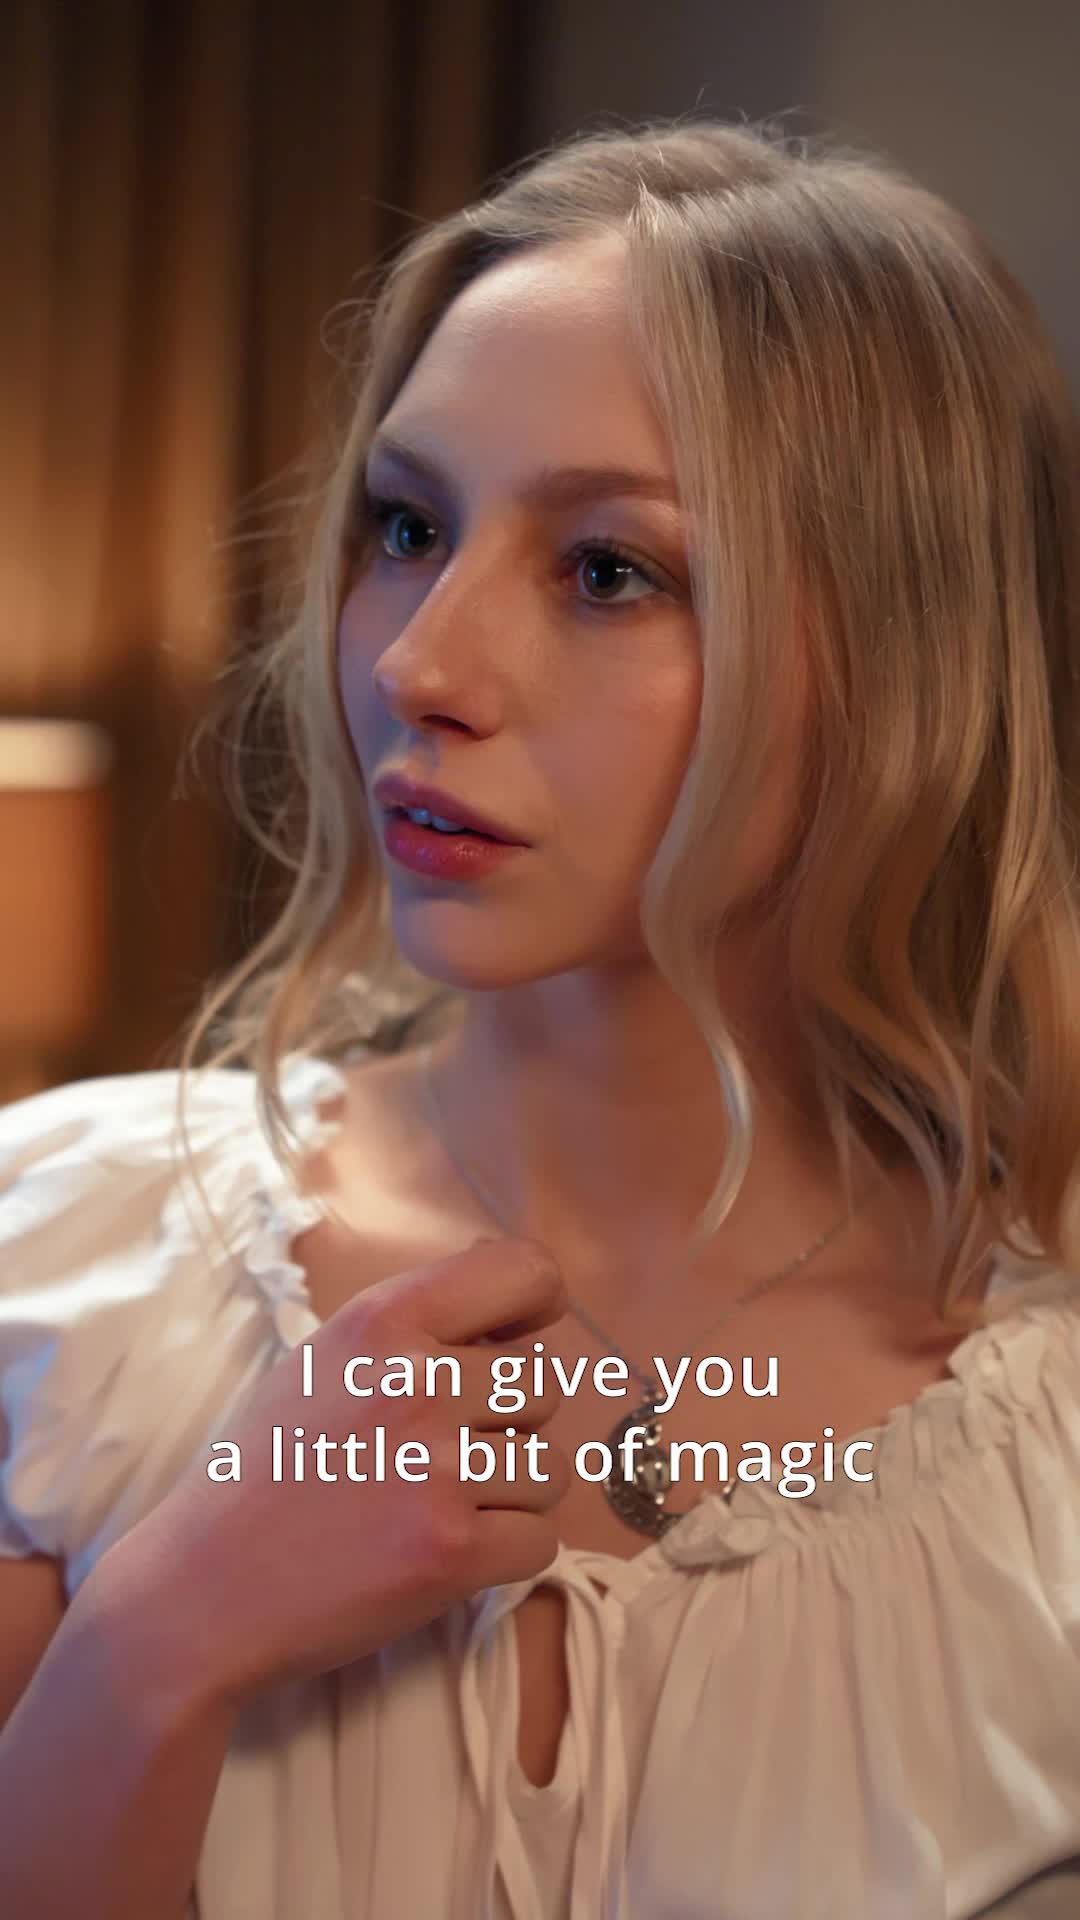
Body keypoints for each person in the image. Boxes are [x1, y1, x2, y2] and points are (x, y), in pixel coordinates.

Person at [1, 114, 1079, 1920]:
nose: (418, 661)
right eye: (408, 526)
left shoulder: (1044, 1445)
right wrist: (156, 1643)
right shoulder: (63, 1281)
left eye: (607, 572)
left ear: (904, 664)